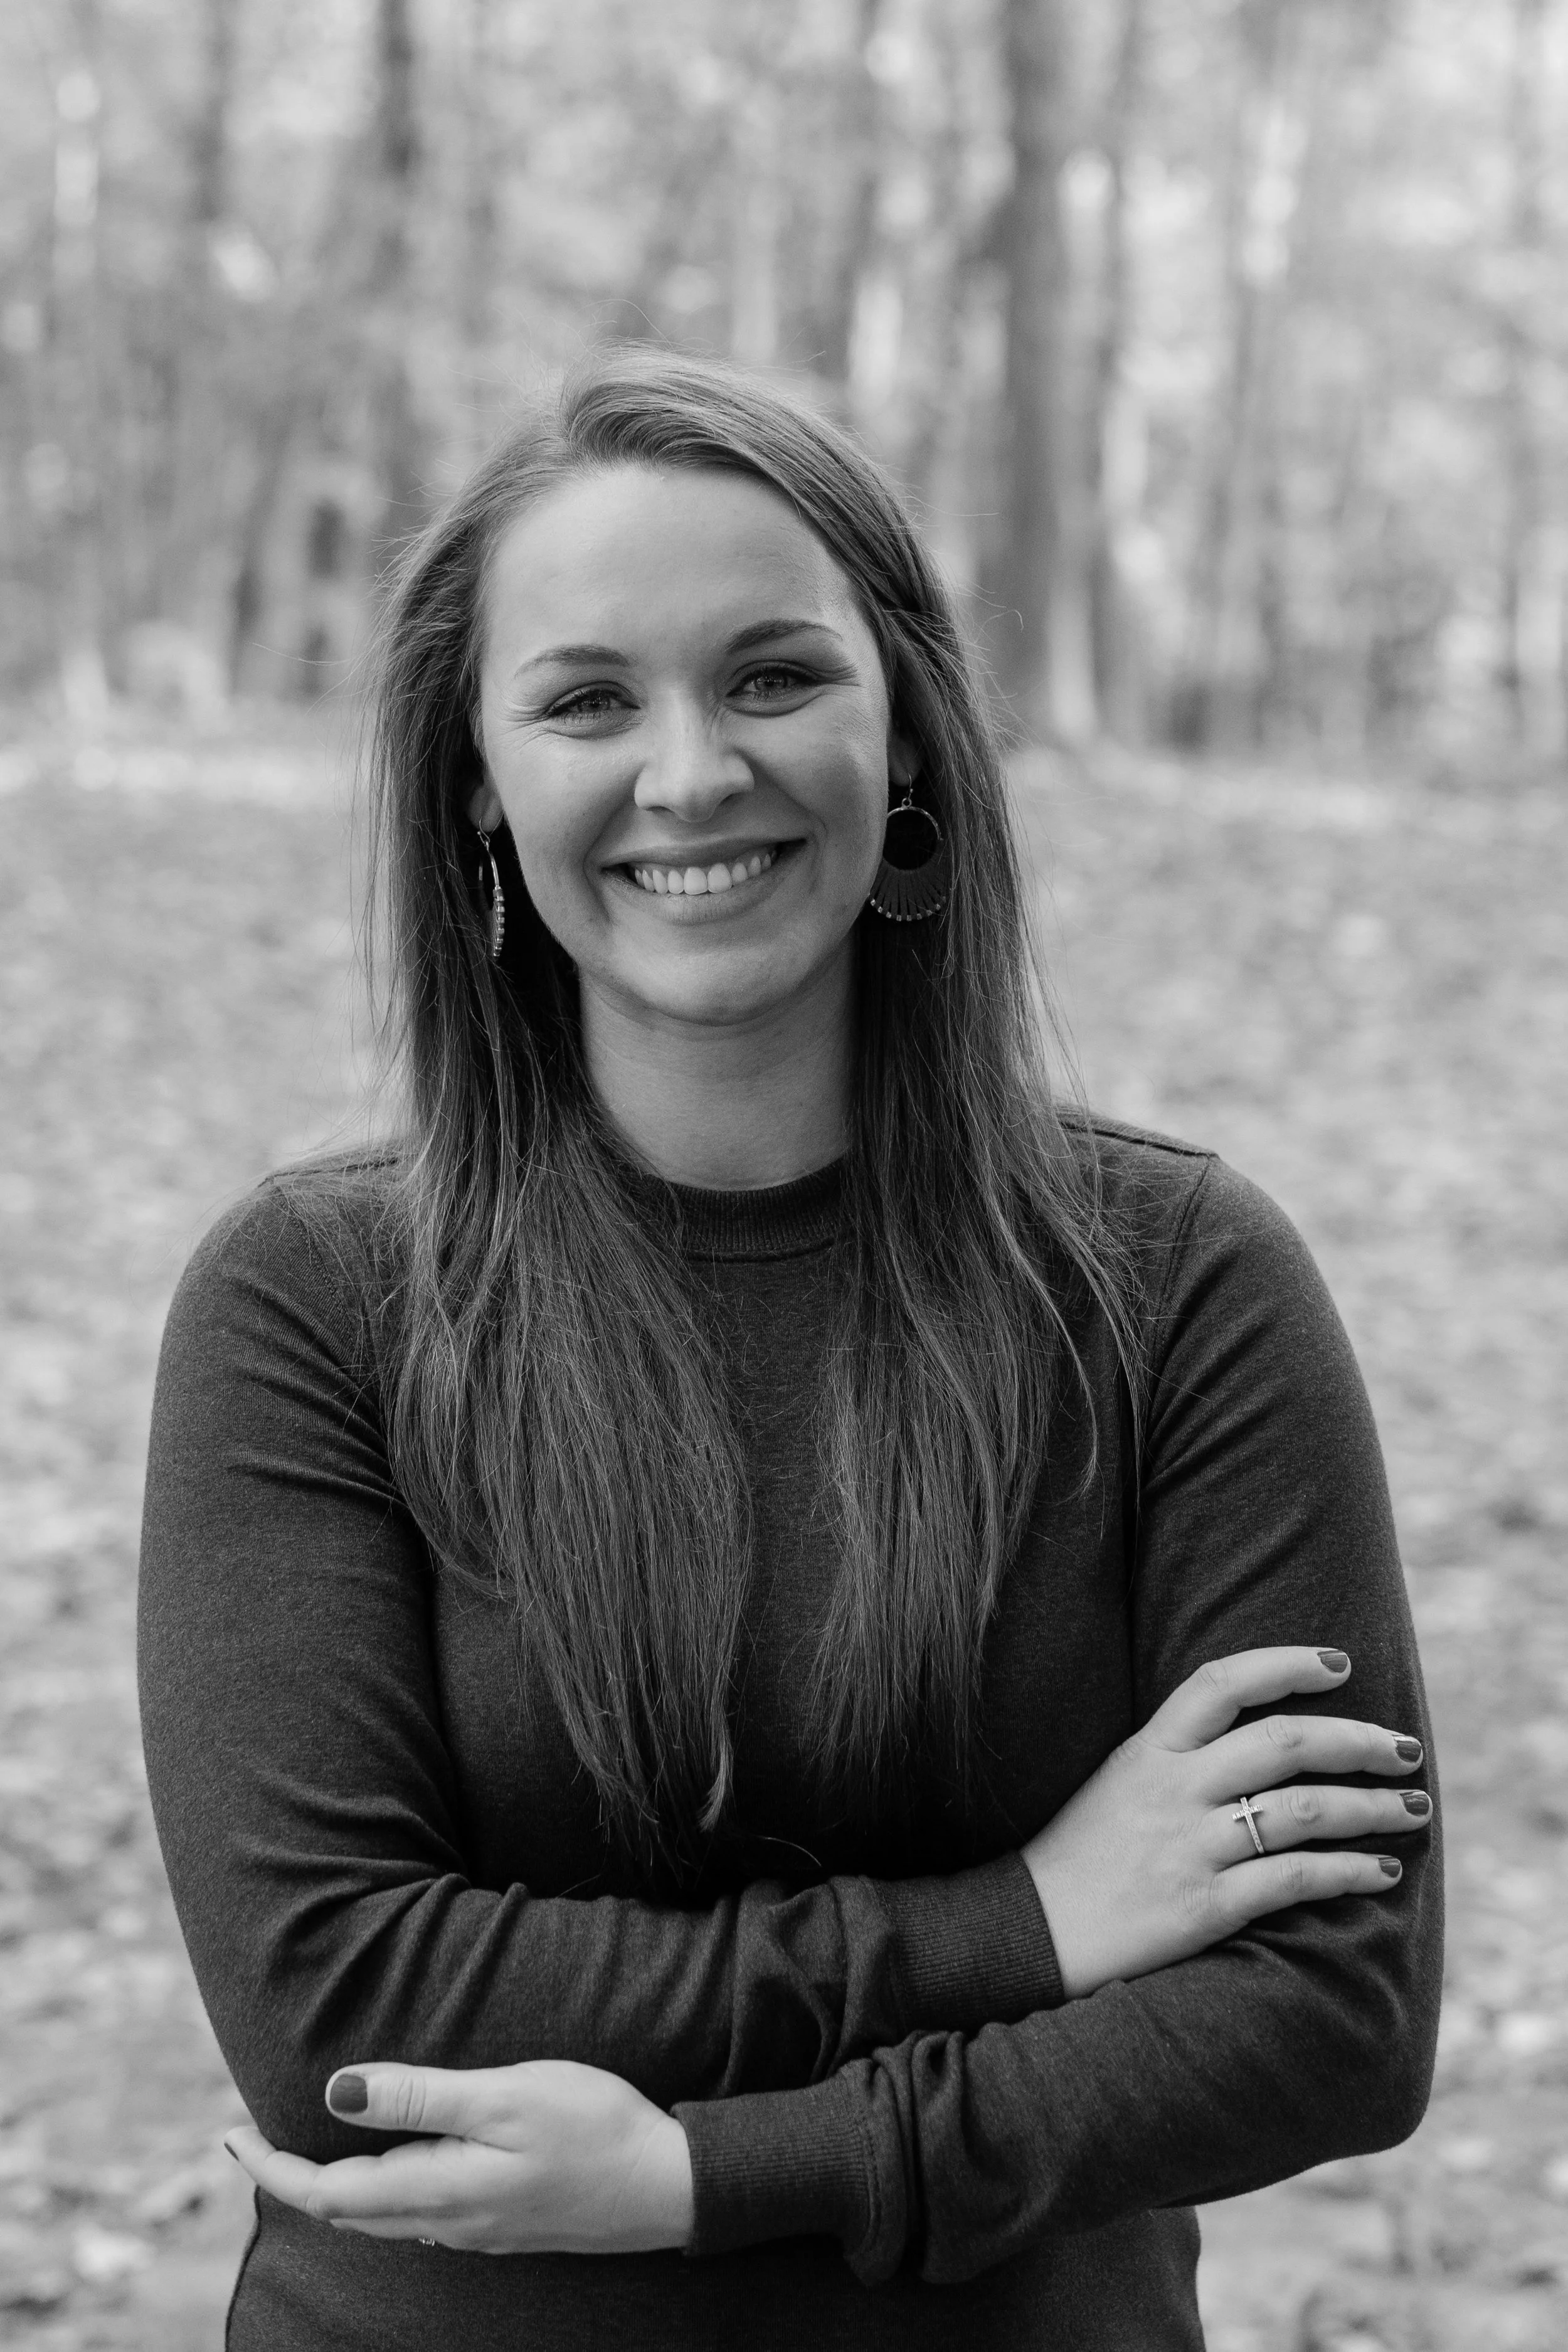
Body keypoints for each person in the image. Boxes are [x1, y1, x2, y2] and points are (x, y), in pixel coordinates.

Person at [137, 351, 1441, 2351]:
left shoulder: (1175, 1276)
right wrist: (1030, 1921)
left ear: (903, 721)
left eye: (770, 676)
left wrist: (700, 2177)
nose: (687, 774)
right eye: (585, 698)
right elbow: (334, 2009)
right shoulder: (316, 1300)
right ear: (476, 777)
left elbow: (1329, 2013)